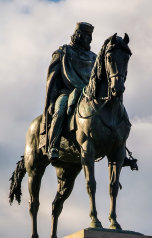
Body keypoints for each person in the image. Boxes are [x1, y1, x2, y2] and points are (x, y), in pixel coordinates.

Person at [40, 22, 96, 161]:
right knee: (59, 112)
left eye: (91, 36)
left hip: (89, 94)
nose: (90, 39)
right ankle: (53, 146)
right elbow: (52, 80)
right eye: (87, 35)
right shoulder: (63, 52)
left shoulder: (94, 57)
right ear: (78, 35)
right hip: (67, 92)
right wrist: (52, 101)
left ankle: (119, 148)